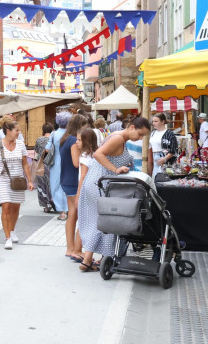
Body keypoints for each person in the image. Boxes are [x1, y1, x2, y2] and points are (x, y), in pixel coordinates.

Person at [77, 117, 151, 272]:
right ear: (131, 127)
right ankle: (99, 258)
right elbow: (98, 154)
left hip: (97, 182)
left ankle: (87, 260)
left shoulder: (118, 136)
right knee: (107, 220)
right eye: (140, 133)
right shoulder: (118, 138)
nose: (140, 138)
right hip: (101, 183)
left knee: (98, 220)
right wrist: (116, 169)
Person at [0, 120, 35, 250]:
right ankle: (7, 237)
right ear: (8, 131)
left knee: (15, 208)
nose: (19, 133)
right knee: (6, 206)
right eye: (17, 130)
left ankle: (12, 229)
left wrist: (29, 180)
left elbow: (25, 163)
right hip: (2, 179)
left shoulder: (20, 145)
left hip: (18, 180)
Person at [59, 115, 89, 257]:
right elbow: (76, 163)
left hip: (66, 179)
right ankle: (71, 249)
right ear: (79, 125)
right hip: (73, 180)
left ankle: (70, 248)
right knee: (74, 215)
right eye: (85, 126)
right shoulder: (72, 141)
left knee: (72, 214)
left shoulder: (65, 139)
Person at [70, 128, 99, 262]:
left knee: (85, 220)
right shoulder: (88, 156)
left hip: (87, 192)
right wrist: (78, 196)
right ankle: (77, 249)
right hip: (87, 192)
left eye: (79, 140)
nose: (77, 142)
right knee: (84, 221)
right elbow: (82, 178)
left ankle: (78, 249)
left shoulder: (88, 156)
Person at [44, 111, 72, 220]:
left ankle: (62, 212)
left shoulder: (53, 134)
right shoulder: (71, 134)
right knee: (68, 186)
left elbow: (47, 149)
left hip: (56, 163)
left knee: (56, 187)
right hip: (69, 162)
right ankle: (69, 209)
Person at [148, 113, 179, 178]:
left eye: (156, 121)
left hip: (163, 158)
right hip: (153, 158)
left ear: (163, 122)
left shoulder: (170, 134)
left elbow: (173, 150)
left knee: (161, 178)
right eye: (153, 121)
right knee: (154, 177)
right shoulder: (153, 133)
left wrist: (165, 159)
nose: (153, 123)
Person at [33, 122, 55, 213]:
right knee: (52, 185)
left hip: (42, 164)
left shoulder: (39, 139)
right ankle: (54, 203)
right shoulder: (54, 139)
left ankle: (46, 206)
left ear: (43, 130)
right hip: (53, 165)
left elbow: (37, 154)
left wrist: (35, 164)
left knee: (42, 185)